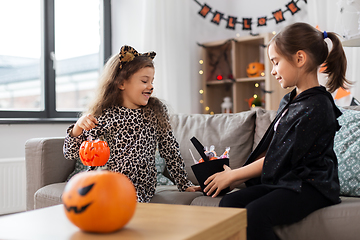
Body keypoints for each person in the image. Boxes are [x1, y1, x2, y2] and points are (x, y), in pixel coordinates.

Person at [203, 22, 349, 240]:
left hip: (311, 186)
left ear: (299, 59)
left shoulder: (318, 106)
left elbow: (280, 155)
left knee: (255, 214)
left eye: (275, 62)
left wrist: (233, 176)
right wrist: (223, 178)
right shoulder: (290, 100)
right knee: (230, 203)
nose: (272, 70)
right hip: (287, 181)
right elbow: (270, 148)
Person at [63, 45, 199, 203]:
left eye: (152, 81)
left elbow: (170, 149)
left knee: (121, 202)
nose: (151, 86)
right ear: (121, 83)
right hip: (103, 181)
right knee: (88, 202)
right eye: (144, 81)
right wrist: (78, 127)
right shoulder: (102, 114)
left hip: (139, 186)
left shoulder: (155, 111)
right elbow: (71, 154)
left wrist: (183, 183)